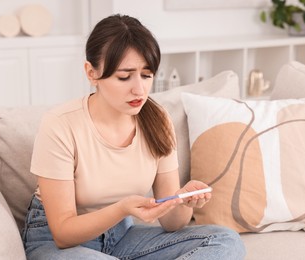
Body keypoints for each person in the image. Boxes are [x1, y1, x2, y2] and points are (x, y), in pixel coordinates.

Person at [21, 14, 246, 259]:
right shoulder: (60, 124)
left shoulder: (158, 119)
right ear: (91, 72)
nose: (139, 89)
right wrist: (121, 209)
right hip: (58, 243)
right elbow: (63, 233)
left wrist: (181, 200)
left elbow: (172, 223)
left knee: (225, 241)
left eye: (147, 75)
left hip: (121, 236)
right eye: (124, 76)